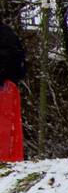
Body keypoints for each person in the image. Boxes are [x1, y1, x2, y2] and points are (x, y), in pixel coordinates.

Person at [0, 18, 24, 162]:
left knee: (5, 130)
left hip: (4, 87)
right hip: (9, 86)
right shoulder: (6, 33)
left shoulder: (4, 34)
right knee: (11, 131)